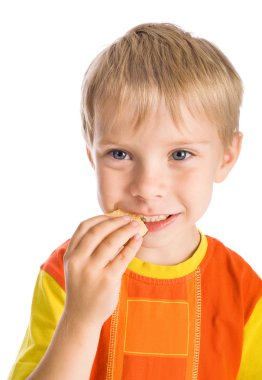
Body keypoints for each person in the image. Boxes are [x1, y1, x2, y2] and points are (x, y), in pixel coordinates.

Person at [8, 23, 262, 380]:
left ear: (226, 157)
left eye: (180, 154)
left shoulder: (245, 292)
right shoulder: (69, 271)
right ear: (92, 157)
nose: (147, 187)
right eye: (120, 154)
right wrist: (80, 319)